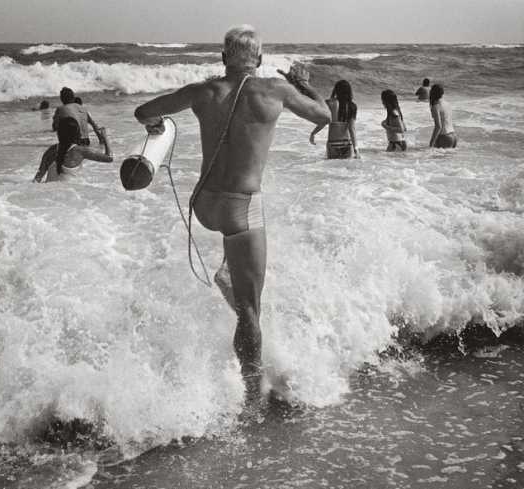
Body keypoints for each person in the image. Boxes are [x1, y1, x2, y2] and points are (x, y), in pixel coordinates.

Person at [133, 25, 330, 403]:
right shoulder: (275, 90)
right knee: (250, 311)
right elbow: (324, 115)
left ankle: (228, 275)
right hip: (242, 207)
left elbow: (143, 112)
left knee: (236, 272)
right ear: (259, 59)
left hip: (206, 204)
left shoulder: (204, 91)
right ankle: (253, 392)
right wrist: (303, 83)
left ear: (223, 58)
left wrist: (156, 125)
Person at [33, 117, 112, 183]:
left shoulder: (51, 150)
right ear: (77, 133)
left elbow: (38, 178)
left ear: (59, 133)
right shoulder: (80, 151)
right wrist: (105, 137)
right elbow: (109, 158)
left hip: (50, 196)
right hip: (70, 195)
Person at [310, 80, 359, 159]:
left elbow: (323, 122)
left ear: (336, 90)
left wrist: (313, 133)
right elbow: (352, 128)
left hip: (333, 144)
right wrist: (356, 149)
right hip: (346, 144)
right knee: (347, 169)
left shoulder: (329, 103)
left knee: (331, 170)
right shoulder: (352, 106)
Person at [429, 84, 457, 148]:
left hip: (444, 137)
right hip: (453, 136)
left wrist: (431, 143)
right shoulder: (447, 104)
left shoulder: (436, 106)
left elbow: (438, 126)